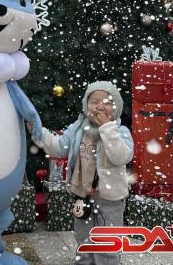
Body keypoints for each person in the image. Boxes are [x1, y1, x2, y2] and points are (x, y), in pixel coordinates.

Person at [27, 81, 134, 265]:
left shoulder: (120, 131)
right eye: (94, 101)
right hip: (82, 195)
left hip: (110, 198)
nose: (100, 106)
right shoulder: (77, 129)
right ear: (86, 106)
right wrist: (38, 132)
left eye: (107, 102)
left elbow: (121, 157)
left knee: (107, 240)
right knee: (83, 237)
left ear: (116, 108)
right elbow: (58, 147)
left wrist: (106, 129)